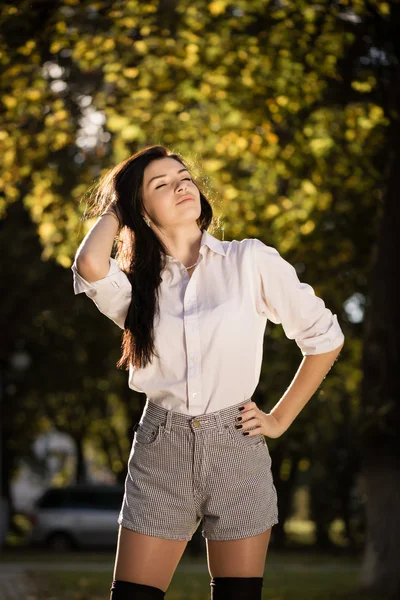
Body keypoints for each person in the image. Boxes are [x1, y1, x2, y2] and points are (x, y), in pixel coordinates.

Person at [71, 145, 345, 600]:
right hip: (162, 449)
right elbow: (89, 265)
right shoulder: (134, 287)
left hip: (237, 443)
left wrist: (279, 419)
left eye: (183, 177)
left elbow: (324, 336)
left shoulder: (249, 260)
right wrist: (119, 208)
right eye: (161, 184)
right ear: (141, 209)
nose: (181, 186)